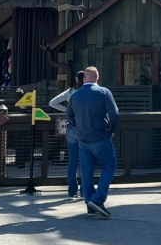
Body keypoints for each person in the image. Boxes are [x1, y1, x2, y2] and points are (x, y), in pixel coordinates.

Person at [67, 66, 119, 218]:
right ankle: (98, 199)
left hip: (83, 138)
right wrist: (113, 129)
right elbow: (114, 113)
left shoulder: (75, 95)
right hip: (101, 136)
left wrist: (79, 126)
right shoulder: (104, 92)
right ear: (97, 77)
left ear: (84, 78)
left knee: (87, 171)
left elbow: (69, 115)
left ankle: (90, 206)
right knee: (109, 166)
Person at [49, 71, 86, 199]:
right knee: (85, 161)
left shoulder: (70, 92)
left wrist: (67, 110)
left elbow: (52, 102)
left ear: (77, 79)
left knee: (72, 161)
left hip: (71, 128)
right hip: (84, 128)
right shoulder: (87, 92)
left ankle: (72, 191)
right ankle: (84, 191)